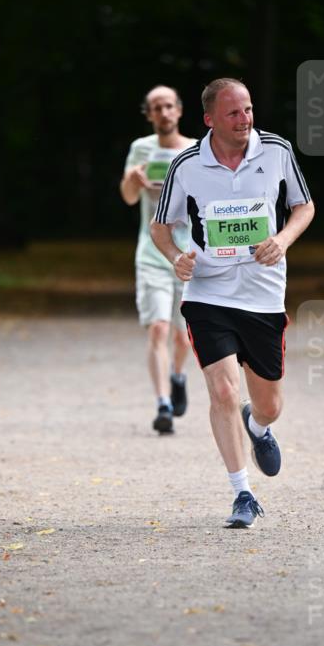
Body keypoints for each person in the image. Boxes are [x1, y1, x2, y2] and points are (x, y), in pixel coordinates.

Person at [151, 77, 315, 527]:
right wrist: (175, 260)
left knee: (269, 406)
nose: (245, 120)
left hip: (263, 295)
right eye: (233, 113)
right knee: (222, 390)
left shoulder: (276, 150)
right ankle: (242, 493)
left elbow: (304, 207)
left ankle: (258, 426)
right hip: (208, 292)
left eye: (248, 110)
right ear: (209, 120)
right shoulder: (187, 164)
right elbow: (160, 226)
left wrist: (281, 240)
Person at [120, 86, 196, 434]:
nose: (163, 113)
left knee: (184, 337)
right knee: (158, 328)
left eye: (169, 106)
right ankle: (163, 404)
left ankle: (178, 377)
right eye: (156, 108)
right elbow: (128, 198)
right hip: (151, 252)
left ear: (179, 111)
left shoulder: (196, 149)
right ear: (148, 114)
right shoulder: (140, 148)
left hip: (189, 254)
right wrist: (132, 180)